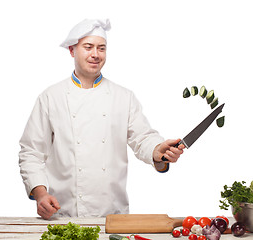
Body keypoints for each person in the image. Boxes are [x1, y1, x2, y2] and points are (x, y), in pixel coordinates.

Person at [19, 19, 185, 220]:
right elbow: (31, 152)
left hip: (113, 217)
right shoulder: (51, 97)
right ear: (72, 51)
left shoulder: (123, 97)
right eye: (88, 47)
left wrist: (158, 150)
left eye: (101, 48)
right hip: (62, 214)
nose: (95, 54)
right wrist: (41, 193)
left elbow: (142, 138)